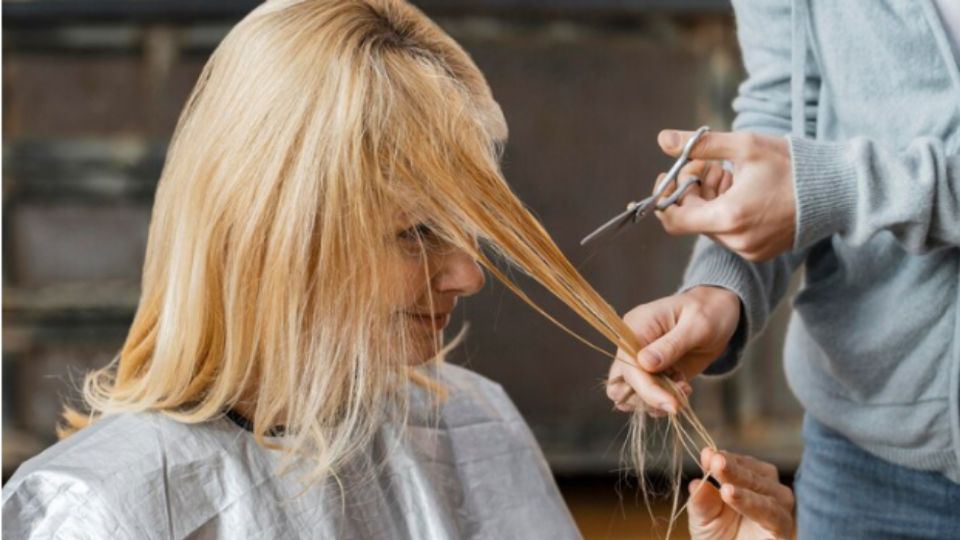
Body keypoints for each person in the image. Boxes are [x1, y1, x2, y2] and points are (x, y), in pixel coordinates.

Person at [2, 1, 793, 538]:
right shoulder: (102, 511)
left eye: (469, 229)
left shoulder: (471, 424)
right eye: (415, 233)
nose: (468, 275)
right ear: (272, 236)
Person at [607, 1, 960, 538]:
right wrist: (718, 287)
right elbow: (788, 109)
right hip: (863, 450)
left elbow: (816, 177)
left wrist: (836, 187)